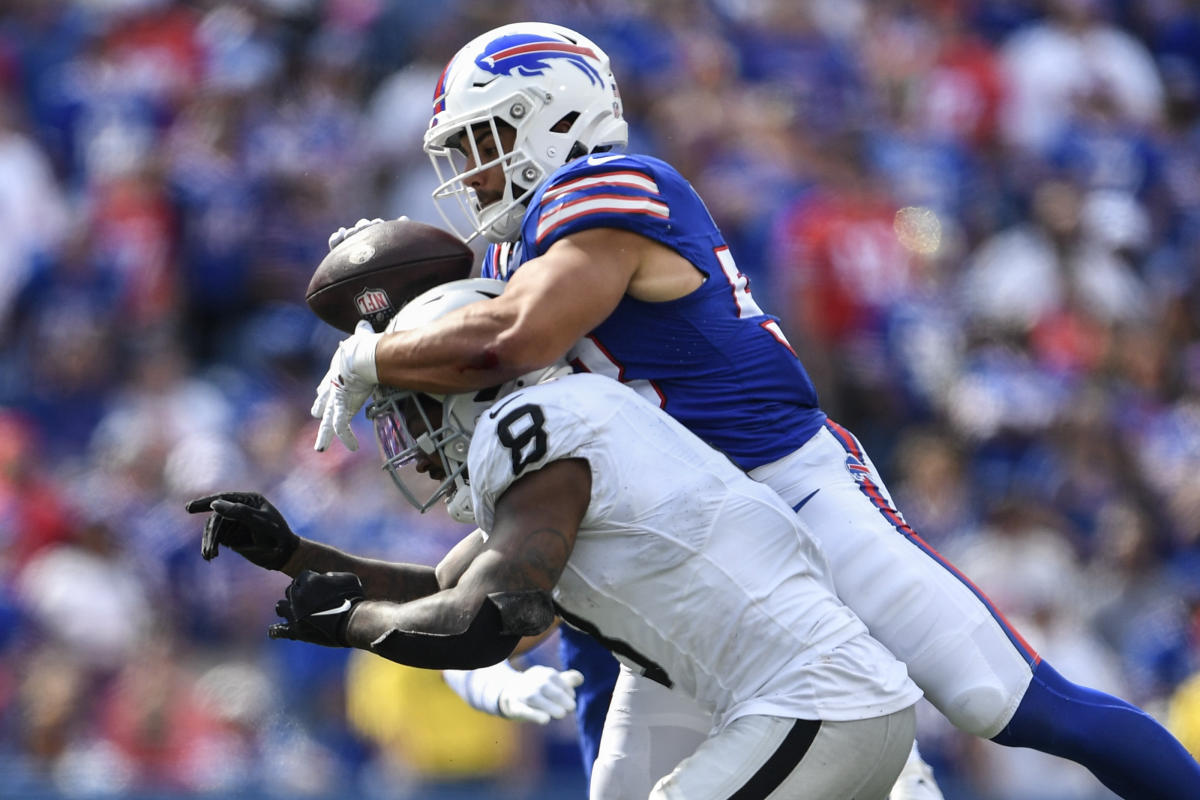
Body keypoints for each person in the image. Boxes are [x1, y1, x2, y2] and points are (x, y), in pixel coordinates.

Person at [309, 21, 1200, 800]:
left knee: (1004, 701)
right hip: (686, 535)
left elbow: (518, 338)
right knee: (614, 756)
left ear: (556, 115)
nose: (472, 172)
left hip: (792, 488)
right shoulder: (516, 258)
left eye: (486, 140)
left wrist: (374, 353)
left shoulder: (610, 191)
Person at [191, 277, 923, 800]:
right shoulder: (562, 443)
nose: (409, 444)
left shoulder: (537, 438)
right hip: (805, 708)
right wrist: (290, 555)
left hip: (814, 704)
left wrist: (352, 624)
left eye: (413, 412)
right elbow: (446, 591)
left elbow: (485, 623)